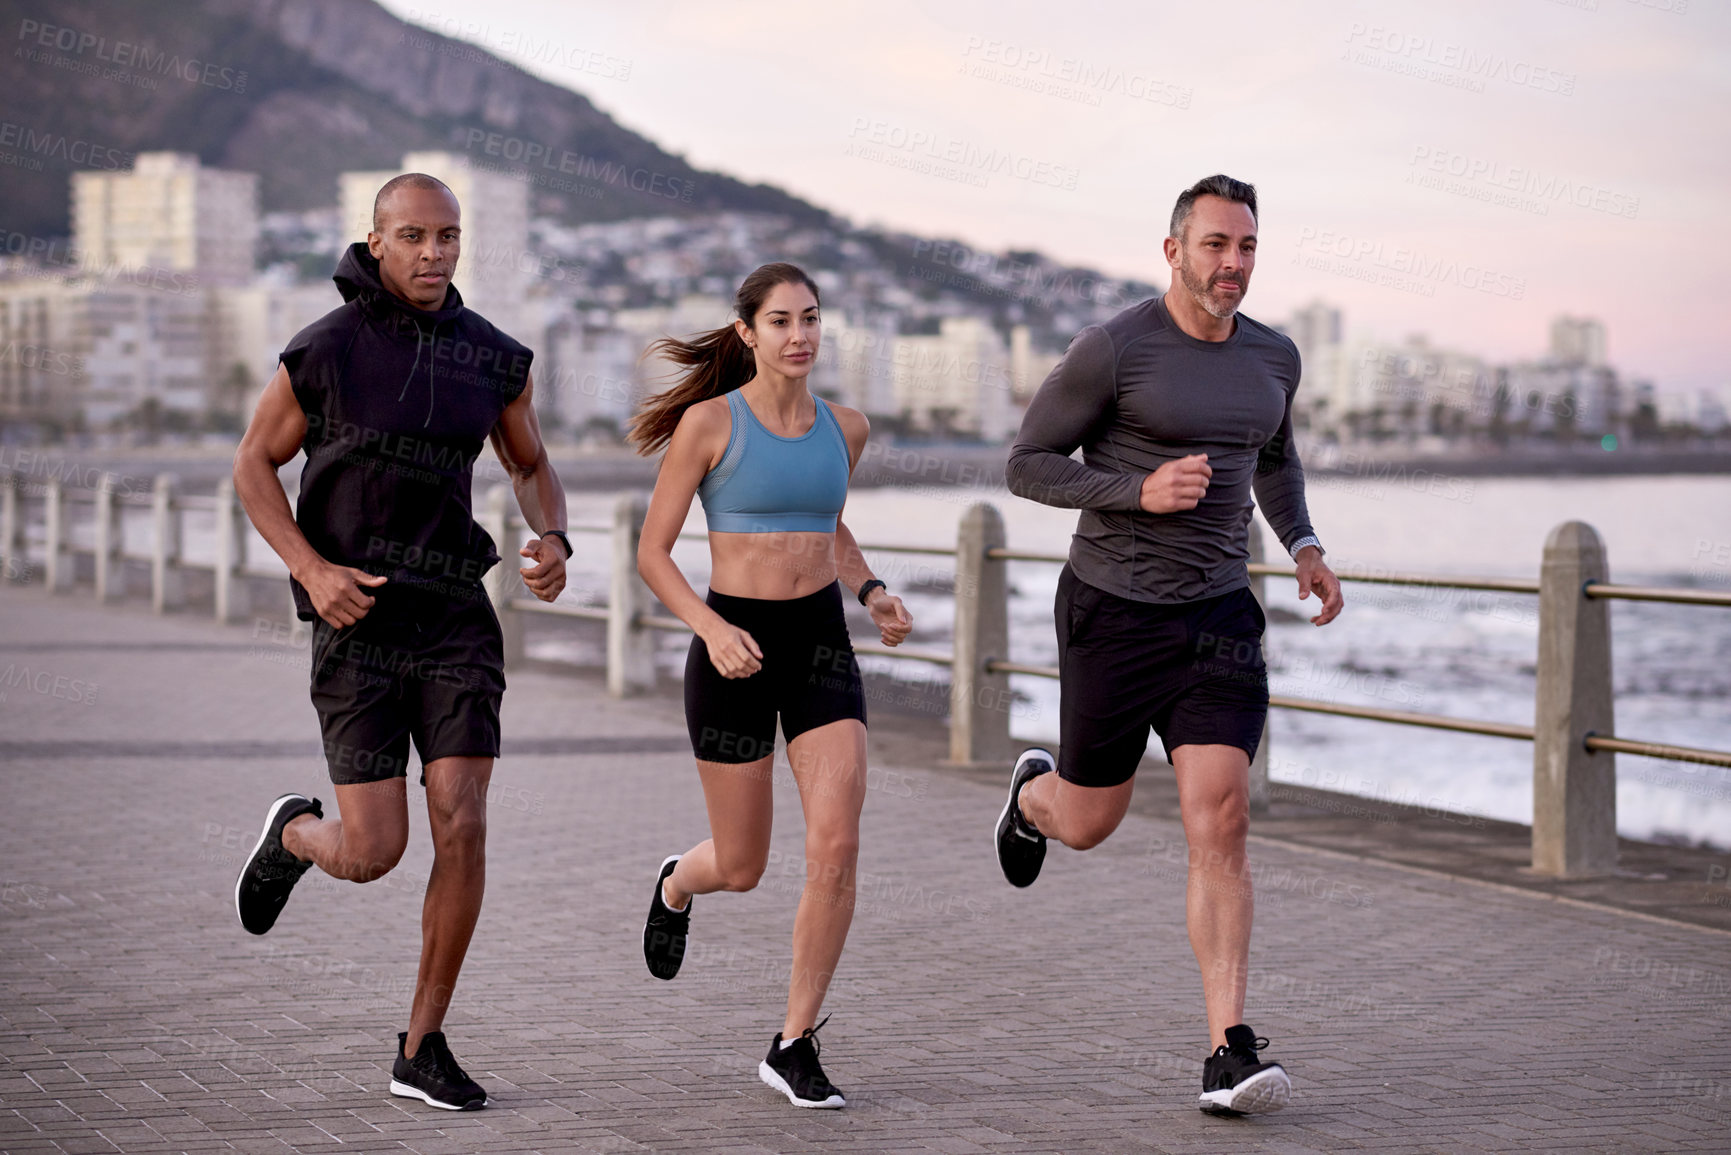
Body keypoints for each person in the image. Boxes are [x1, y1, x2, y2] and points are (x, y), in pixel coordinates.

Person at [999, 174, 1344, 1116]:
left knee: (1219, 814)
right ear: (1173, 251)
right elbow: (1025, 464)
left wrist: (1303, 546)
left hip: (1217, 619)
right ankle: (1034, 798)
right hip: (1111, 613)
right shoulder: (1112, 350)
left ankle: (1226, 1049)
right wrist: (1135, 491)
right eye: (1214, 246)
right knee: (1090, 821)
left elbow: (1271, 458)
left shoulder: (1273, 357)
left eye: (1245, 247)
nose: (1231, 265)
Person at [231, 173, 570, 1112]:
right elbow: (253, 463)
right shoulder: (326, 351)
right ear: (375, 240)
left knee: (461, 815)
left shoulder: (493, 356)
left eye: (449, 236)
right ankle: (297, 836)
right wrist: (310, 568)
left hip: (456, 613)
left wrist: (552, 538)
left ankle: (422, 1044)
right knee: (374, 848)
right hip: (356, 620)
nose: (433, 253)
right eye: (414, 235)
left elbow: (532, 464)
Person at [629, 262, 912, 1109]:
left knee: (836, 842)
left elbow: (827, 525)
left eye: (812, 319)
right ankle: (680, 878)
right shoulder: (709, 424)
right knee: (744, 864)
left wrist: (871, 592)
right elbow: (651, 552)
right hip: (732, 650)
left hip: (820, 646)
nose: (800, 336)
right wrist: (712, 630)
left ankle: (794, 1041)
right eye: (781, 321)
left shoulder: (846, 428)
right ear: (748, 332)